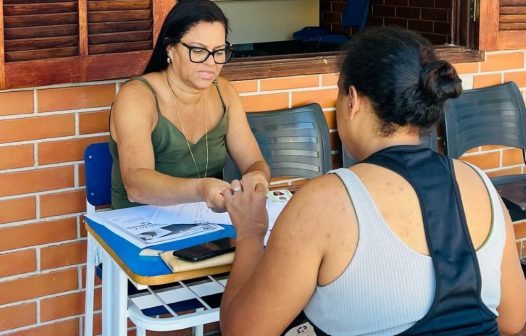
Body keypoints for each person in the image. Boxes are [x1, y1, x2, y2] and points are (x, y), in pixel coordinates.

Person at [220, 27, 526, 336]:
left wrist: (249, 232)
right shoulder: (480, 183)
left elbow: (243, 331)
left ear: (352, 100)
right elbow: (512, 321)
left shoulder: (325, 200)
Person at [109, 0, 270, 210]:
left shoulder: (225, 93)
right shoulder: (137, 97)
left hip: (205, 223)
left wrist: (257, 176)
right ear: (171, 49)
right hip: (140, 228)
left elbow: (253, 162)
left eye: (219, 51)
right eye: (198, 50)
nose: (211, 62)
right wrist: (201, 190)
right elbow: (136, 186)